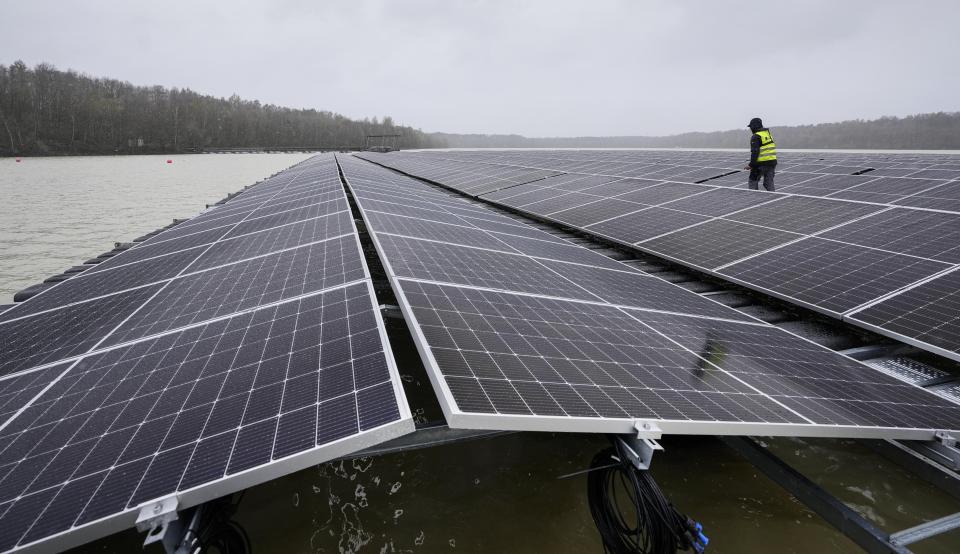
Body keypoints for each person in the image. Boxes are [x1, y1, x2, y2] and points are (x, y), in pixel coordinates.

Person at [745, 117, 777, 191]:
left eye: (751, 127)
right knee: (768, 183)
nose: (750, 129)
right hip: (772, 163)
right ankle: (774, 198)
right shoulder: (768, 135)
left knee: (752, 182)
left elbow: (755, 152)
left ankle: (753, 197)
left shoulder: (756, 136)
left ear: (754, 126)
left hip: (760, 164)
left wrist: (751, 165)